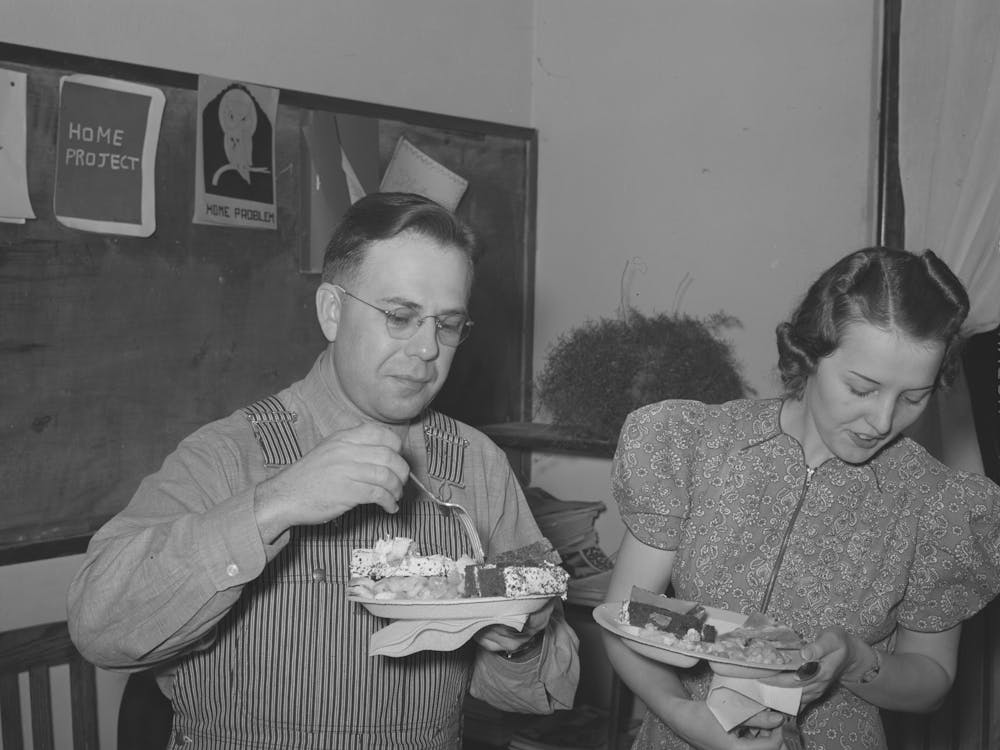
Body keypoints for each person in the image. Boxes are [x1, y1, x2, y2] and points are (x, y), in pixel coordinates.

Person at [68, 192, 579, 749]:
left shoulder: (477, 465)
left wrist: (521, 638)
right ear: (332, 311)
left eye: (448, 324)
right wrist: (272, 504)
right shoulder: (228, 454)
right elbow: (98, 628)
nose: (428, 349)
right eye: (400, 317)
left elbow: (537, 693)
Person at [601, 246, 1000, 750]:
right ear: (808, 354)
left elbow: (932, 682)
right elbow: (626, 618)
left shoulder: (936, 503)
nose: (882, 421)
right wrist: (686, 715)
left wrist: (855, 660)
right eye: (862, 388)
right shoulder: (695, 445)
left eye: (913, 397)